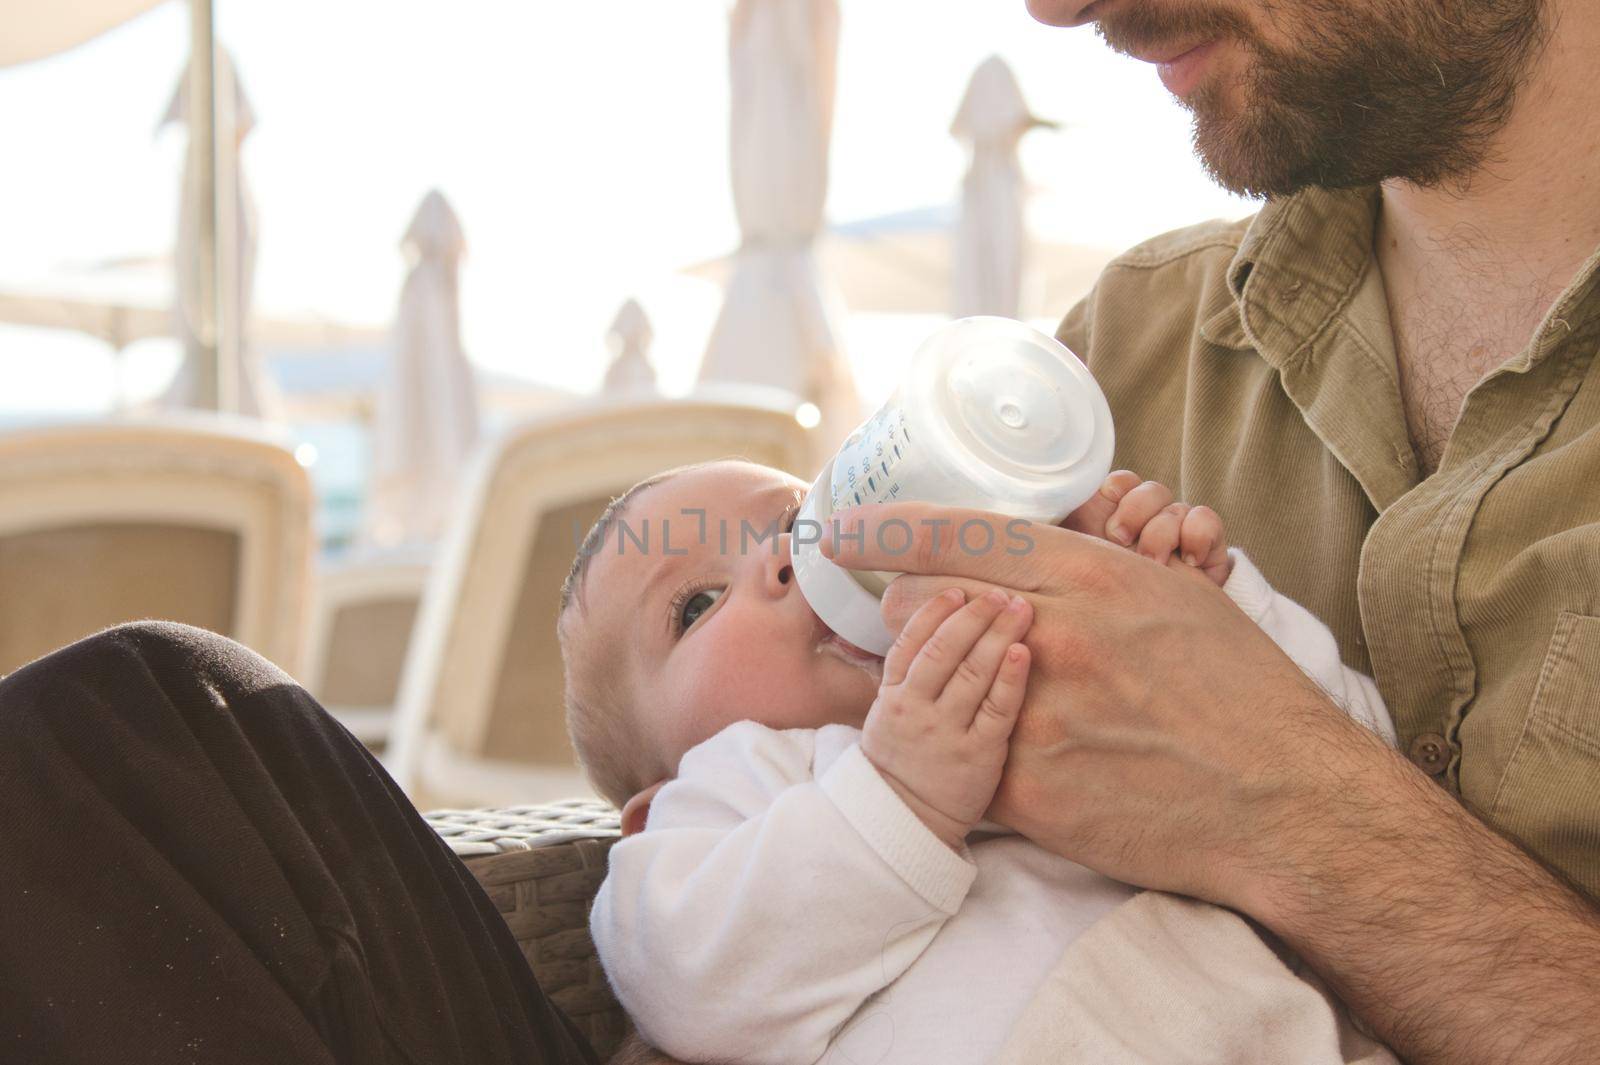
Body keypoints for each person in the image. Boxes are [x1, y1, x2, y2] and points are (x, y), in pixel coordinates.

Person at [556, 458, 1397, 1064]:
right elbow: (687, 973)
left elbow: (1361, 781)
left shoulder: (1043, 657)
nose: (785, 557)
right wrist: (898, 797)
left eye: (796, 521)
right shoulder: (737, 790)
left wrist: (1206, 615)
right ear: (654, 805)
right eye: (697, 603)